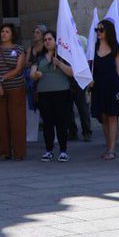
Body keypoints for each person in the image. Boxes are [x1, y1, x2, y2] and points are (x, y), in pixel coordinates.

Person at [29, 30, 74, 162]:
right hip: (44, 94)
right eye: (45, 40)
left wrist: (59, 63)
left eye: (50, 39)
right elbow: (32, 73)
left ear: (55, 41)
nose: (47, 42)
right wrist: (35, 75)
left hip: (62, 92)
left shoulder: (64, 55)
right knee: (48, 123)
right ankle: (48, 150)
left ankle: (63, 150)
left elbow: (71, 72)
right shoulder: (39, 56)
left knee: (61, 122)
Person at [89, 20, 119, 160]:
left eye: (101, 30)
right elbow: (89, 66)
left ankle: (112, 149)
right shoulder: (93, 48)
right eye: (97, 30)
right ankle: (108, 146)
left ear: (108, 32)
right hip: (98, 85)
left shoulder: (114, 48)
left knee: (112, 115)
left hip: (112, 84)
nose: (98, 32)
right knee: (103, 116)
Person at [0, 24, 29, 160]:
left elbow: (18, 69)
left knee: (17, 120)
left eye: (7, 32)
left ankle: (18, 152)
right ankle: (3, 151)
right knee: (0, 120)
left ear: (12, 34)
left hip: (16, 88)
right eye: (2, 31)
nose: (4, 34)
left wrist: (2, 78)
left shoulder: (19, 49)